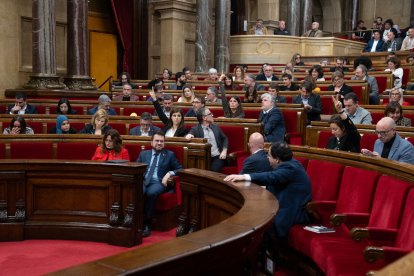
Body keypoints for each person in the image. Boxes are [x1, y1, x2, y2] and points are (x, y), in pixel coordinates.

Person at [224, 142, 312, 240]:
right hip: (282, 204)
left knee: (257, 221)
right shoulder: (289, 163)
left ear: (277, 159)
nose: (267, 158)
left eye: (269, 155)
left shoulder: (290, 167)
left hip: (292, 212)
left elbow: (271, 177)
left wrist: (244, 176)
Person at [138, 131, 182, 237]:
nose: (159, 143)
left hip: (158, 181)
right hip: (143, 180)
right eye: (157, 141)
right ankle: (135, 221)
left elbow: (180, 169)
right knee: (139, 191)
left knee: (151, 193)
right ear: (151, 142)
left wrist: (169, 174)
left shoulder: (169, 155)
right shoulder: (143, 154)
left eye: (161, 141)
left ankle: (147, 223)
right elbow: (136, 167)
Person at [185, 107, 228, 172]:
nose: (212, 115)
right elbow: (190, 134)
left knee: (213, 171)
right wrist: (189, 135)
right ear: (204, 118)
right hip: (204, 158)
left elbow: (225, 138)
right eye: (210, 114)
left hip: (217, 157)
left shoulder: (215, 127)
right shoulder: (196, 129)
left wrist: (224, 151)